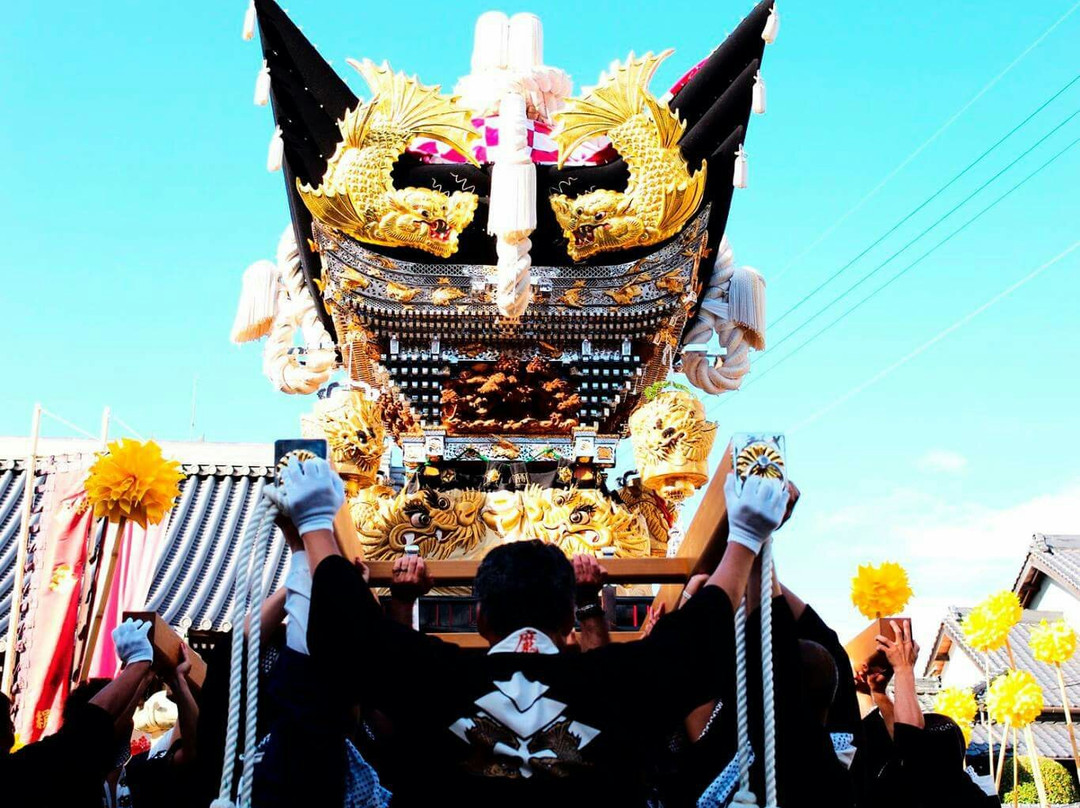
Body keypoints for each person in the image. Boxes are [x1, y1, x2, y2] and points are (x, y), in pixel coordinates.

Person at [274, 457, 790, 808]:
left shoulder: (438, 676)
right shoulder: (619, 681)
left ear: (478, 617)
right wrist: (744, 536)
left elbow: (347, 634)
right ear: (569, 620)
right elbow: (697, 641)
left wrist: (316, 521)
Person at [1, 619, 157, 806]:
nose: (12, 725)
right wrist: (138, 663)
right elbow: (85, 731)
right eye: (5, 718)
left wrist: (140, 675)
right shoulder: (20, 773)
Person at [853, 620, 997, 807]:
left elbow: (909, 741)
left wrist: (904, 668)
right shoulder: (967, 791)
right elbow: (904, 741)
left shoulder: (918, 790)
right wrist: (878, 693)